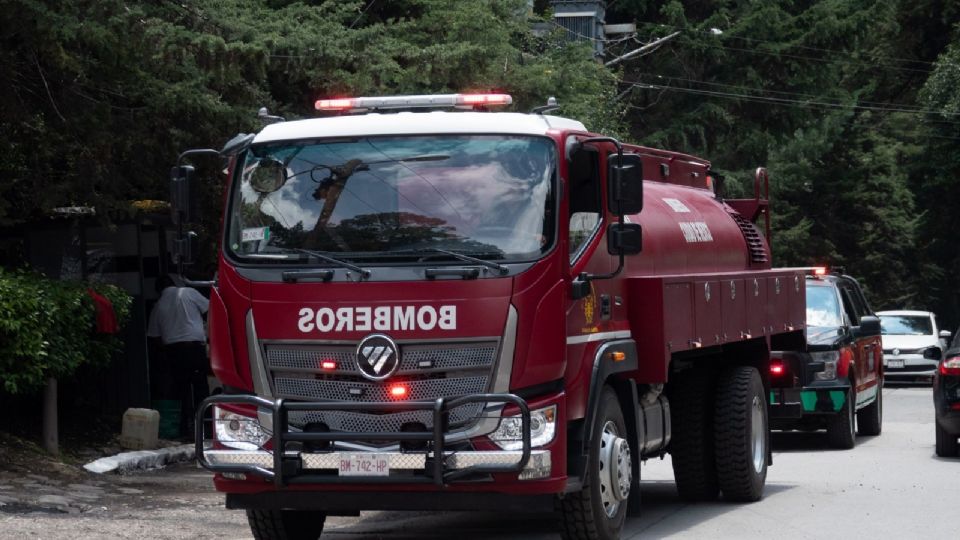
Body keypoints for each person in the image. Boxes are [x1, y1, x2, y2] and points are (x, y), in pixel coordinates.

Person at [147, 275, 210, 439]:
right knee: (200, 387)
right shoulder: (189, 292)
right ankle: (206, 427)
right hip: (195, 347)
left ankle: (185, 428)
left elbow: (154, 337)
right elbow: (210, 309)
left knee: (181, 390)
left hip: (174, 351)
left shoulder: (158, 306)